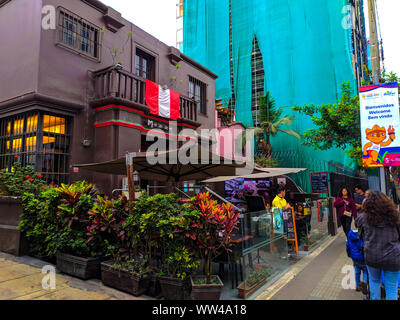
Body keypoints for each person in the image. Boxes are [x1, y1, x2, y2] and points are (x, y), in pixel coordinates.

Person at [356, 190, 400, 300]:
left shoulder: (363, 218)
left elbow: (360, 235)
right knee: (391, 286)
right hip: (392, 257)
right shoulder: (395, 216)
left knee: (374, 281)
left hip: (372, 256)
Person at [346, 229, 368, 295]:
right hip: (363, 258)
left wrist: (349, 254)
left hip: (354, 257)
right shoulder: (364, 234)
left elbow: (347, 245)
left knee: (356, 271)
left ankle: (358, 286)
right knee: (365, 271)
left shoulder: (350, 233)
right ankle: (364, 281)